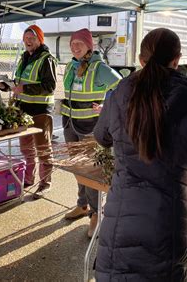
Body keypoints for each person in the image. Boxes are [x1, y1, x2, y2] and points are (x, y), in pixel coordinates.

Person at [93, 28, 187, 281]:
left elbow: (101, 137)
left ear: (140, 59)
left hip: (120, 216)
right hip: (167, 220)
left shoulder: (118, 95)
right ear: (176, 59)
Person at [61, 28, 121, 238]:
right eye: (72, 43)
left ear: (89, 46)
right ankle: (82, 204)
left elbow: (122, 87)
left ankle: (96, 214)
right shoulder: (71, 65)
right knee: (78, 168)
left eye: (79, 43)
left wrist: (106, 105)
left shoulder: (99, 67)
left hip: (90, 128)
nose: (75, 46)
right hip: (70, 124)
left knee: (92, 171)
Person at [0, 25, 57, 199]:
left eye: (32, 38)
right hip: (23, 112)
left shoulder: (46, 59)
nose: (28, 41)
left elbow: (49, 87)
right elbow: (19, 82)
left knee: (43, 149)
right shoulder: (25, 57)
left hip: (40, 112)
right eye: (26, 38)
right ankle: (29, 179)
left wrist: (25, 88)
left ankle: (45, 184)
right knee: (26, 148)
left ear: (40, 40)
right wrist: (6, 86)